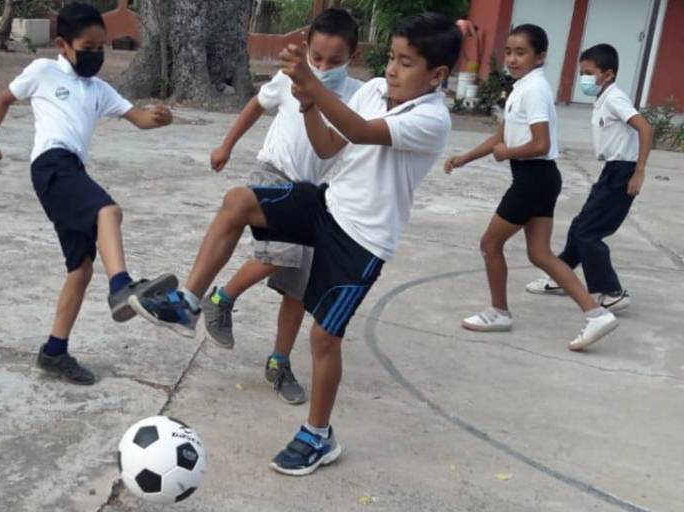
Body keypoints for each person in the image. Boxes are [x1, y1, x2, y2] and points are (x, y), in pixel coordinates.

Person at [129, 13, 461, 475]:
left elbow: (364, 132)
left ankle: (318, 436)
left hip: (363, 241)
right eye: (391, 58)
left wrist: (310, 83)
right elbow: (328, 147)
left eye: (406, 63)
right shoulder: (375, 91)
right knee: (238, 201)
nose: (392, 69)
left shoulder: (431, 118)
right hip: (327, 204)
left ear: (437, 75)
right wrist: (307, 103)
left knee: (324, 337)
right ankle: (188, 302)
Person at [0, 2, 176, 384]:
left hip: (71, 170)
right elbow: (5, 98)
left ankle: (54, 351)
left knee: (80, 269)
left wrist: (161, 116)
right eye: (87, 48)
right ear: (63, 45)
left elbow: (140, 118)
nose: (95, 55)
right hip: (51, 165)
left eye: (101, 48)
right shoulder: (43, 71)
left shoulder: (98, 90)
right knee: (108, 211)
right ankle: (121, 285)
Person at [204, 8, 362, 405]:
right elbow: (256, 105)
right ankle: (221, 298)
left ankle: (279, 361)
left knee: (299, 290)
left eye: (335, 61)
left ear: (353, 58)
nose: (323, 68)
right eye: (317, 58)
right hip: (273, 172)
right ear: (307, 48)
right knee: (283, 254)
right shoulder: (288, 78)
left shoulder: (357, 95)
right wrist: (226, 144)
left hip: (315, 193)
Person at [444, 24, 618, 351]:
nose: (511, 58)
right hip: (540, 178)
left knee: (489, 243)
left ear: (539, 57)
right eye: (508, 51)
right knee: (540, 253)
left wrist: (506, 153)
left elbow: (540, 143)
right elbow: (502, 135)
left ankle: (498, 311)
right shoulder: (522, 87)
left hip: (533, 178)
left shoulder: (534, 89)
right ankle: (596, 315)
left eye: (520, 52)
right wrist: (466, 157)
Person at [525, 43, 653, 312]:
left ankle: (612, 291)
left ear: (607, 75)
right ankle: (560, 277)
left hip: (622, 172)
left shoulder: (615, 98)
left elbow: (644, 128)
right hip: (611, 170)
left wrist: (638, 171)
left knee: (588, 233)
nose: (584, 78)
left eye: (588, 73)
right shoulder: (604, 98)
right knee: (580, 225)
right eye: (582, 72)